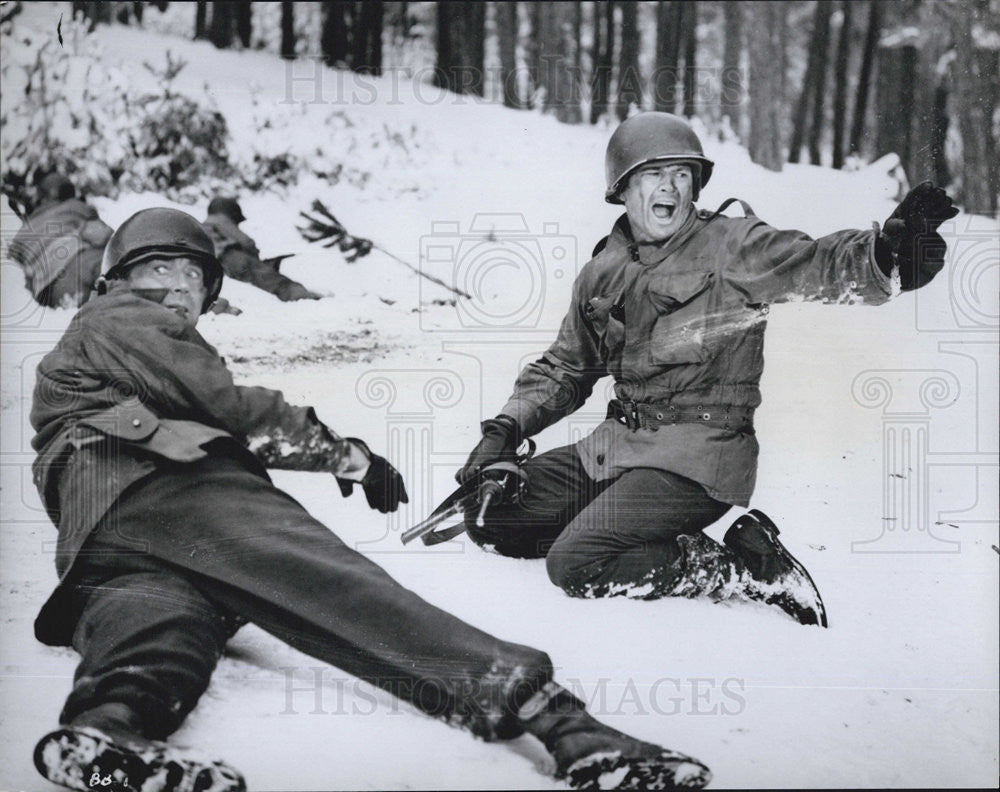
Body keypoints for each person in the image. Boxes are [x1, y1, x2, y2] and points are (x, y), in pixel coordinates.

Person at [30, 207, 712, 792]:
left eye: (193, 279)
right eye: (161, 271)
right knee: (339, 586)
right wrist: (348, 456)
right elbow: (229, 406)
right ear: (115, 280)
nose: (179, 290)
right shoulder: (119, 318)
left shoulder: (95, 353)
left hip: (100, 533)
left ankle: (108, 731)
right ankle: (563, 722)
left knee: (159, 625)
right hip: (171, 489)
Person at [458, 112, 958, 627]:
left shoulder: (732, 245)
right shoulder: (602, 270)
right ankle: (624, 522)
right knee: (491, 515)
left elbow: (816, 262)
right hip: (620, 446)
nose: (671, 185)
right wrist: (505, 429)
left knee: (576, 563)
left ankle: (738, 567)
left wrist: (887, 257)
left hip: (699, 457)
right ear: (623, 188)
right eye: (655, 173)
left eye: (683, 173)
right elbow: (566, 365)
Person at [7, 173, 113, 308]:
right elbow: (105, 235)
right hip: (86, 262)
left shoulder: (22, 234)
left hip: (53, 291)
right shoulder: (76, 207)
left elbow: (14, 274)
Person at [202, 196, 322, 301]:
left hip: (213, 265)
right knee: (272, 280)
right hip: (231, 257)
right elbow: (247, 242)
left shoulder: (203, 226)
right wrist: (257, 260)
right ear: (231, 212)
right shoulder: (221, 220)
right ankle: (303, 297)